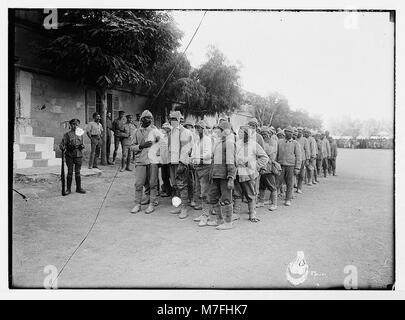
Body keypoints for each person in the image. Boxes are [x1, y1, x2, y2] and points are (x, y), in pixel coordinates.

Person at [234, 126, 269, 222]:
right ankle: (236, 213)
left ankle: (252, 214)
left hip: (249, 173)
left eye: (243, 133)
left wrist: (253, 165)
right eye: (239, 133)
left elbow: (264, 158)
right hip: (237, 173)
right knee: (237, 193)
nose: (240, 134)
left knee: (250, 194)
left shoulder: (254, 145)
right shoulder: (237, 144)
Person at [206, 121, 236, 230]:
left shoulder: (229, 142)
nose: (216, 131)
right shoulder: (219, 142)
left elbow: (231, 162)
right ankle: (219, 219)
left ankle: (228, 222)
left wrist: (231, 178)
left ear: (224, 131)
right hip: (216, 175)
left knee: (226, 198)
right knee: (213, 197)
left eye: (218, 129)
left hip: (224, 176)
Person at [168, 111, 193, 219]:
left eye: (174, 119)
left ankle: (184, 209)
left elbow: (187, 149)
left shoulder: (185, 132)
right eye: (171, 119)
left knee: (182, 185)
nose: (172, 121)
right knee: (175, 185)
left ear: (179, 120)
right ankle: (178, 206)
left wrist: (182, 163)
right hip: (172, 162)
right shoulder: (171, 132)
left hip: (181, 163)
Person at [130, 110, 155, 214]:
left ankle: (152, 203)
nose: (150, 120)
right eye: (147, 118)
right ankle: (137, 204)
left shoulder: (155, 131)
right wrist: (141, 146)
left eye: (151, 118)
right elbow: (131, 147)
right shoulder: (136, 131)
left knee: (152, 183)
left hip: (153, 161)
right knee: (139, 183)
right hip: (141, 160)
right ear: (142, 119)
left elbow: (162, 145)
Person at [191, 120, 214, 226]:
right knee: (199, 190)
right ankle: (204, 213)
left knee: (205, 192)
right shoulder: (196, 141)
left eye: (199, 128)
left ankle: (206, 215)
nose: (197, 130)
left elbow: (208, 154)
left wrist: (197, 158)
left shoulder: (208, 140)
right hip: (197, 167)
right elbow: (193, 153)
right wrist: (193, 159)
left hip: (205, 167)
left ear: (204, 129)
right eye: (196, 128)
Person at [59, 118, 86, 194]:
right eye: (73, 124)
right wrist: (62, 147)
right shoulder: (67, 135)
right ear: (70, 125)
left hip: (78, 155)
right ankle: (68, 189)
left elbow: (83, 144)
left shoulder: (81, 134)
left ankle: (79, 188)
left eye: (77, 124)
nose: (75, 126)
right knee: (70, 172)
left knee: (78, 172)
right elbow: (62, 144)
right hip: (69, 155)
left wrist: (82, 146)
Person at [277, 126, 301, 206]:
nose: (289, 133)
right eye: (287, 132)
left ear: (292, 134)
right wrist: (276, 164)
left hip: (291, 166)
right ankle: (273, 199)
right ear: (285, 133)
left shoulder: (295, 143)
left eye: (291, 132)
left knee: (290, 183)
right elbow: (276, 154)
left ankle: (288, 199)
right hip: (281, 165)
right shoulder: (279, 142)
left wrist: (297, 167)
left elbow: (298, 156)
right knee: (278, 182)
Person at [257, 126, 279, 211]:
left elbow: (268, 151)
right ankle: (261, 201)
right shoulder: (261, 142)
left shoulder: (273, 142)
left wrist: (261, 149)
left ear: (269, 133)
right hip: (262, 165)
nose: (264, 135)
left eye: (265, 133)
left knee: (272, 185)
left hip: (269, 166)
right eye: (262, 134)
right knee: (262, 185)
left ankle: (274, 203)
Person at [159, 122, 172, 197]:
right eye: (164, 128)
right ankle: (168, 191)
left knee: (171, 176)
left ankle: (174, 192)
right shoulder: (162, 137)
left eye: (166, 128)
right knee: (164, 176)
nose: (165, 129)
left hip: (170, 160)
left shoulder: (171, 137)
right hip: (163, 160)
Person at [296, 127, 310, 194]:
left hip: (302, 159)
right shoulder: (294, 139)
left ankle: (299, 188)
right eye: (297, 131)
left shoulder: (304, 140)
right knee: (293, 174)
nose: (299, 133)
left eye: (300, 132)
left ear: (302, 133)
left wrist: (307, 159)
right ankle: (293, 187)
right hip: (295, 159)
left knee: (301, 175)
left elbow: (307, 150)